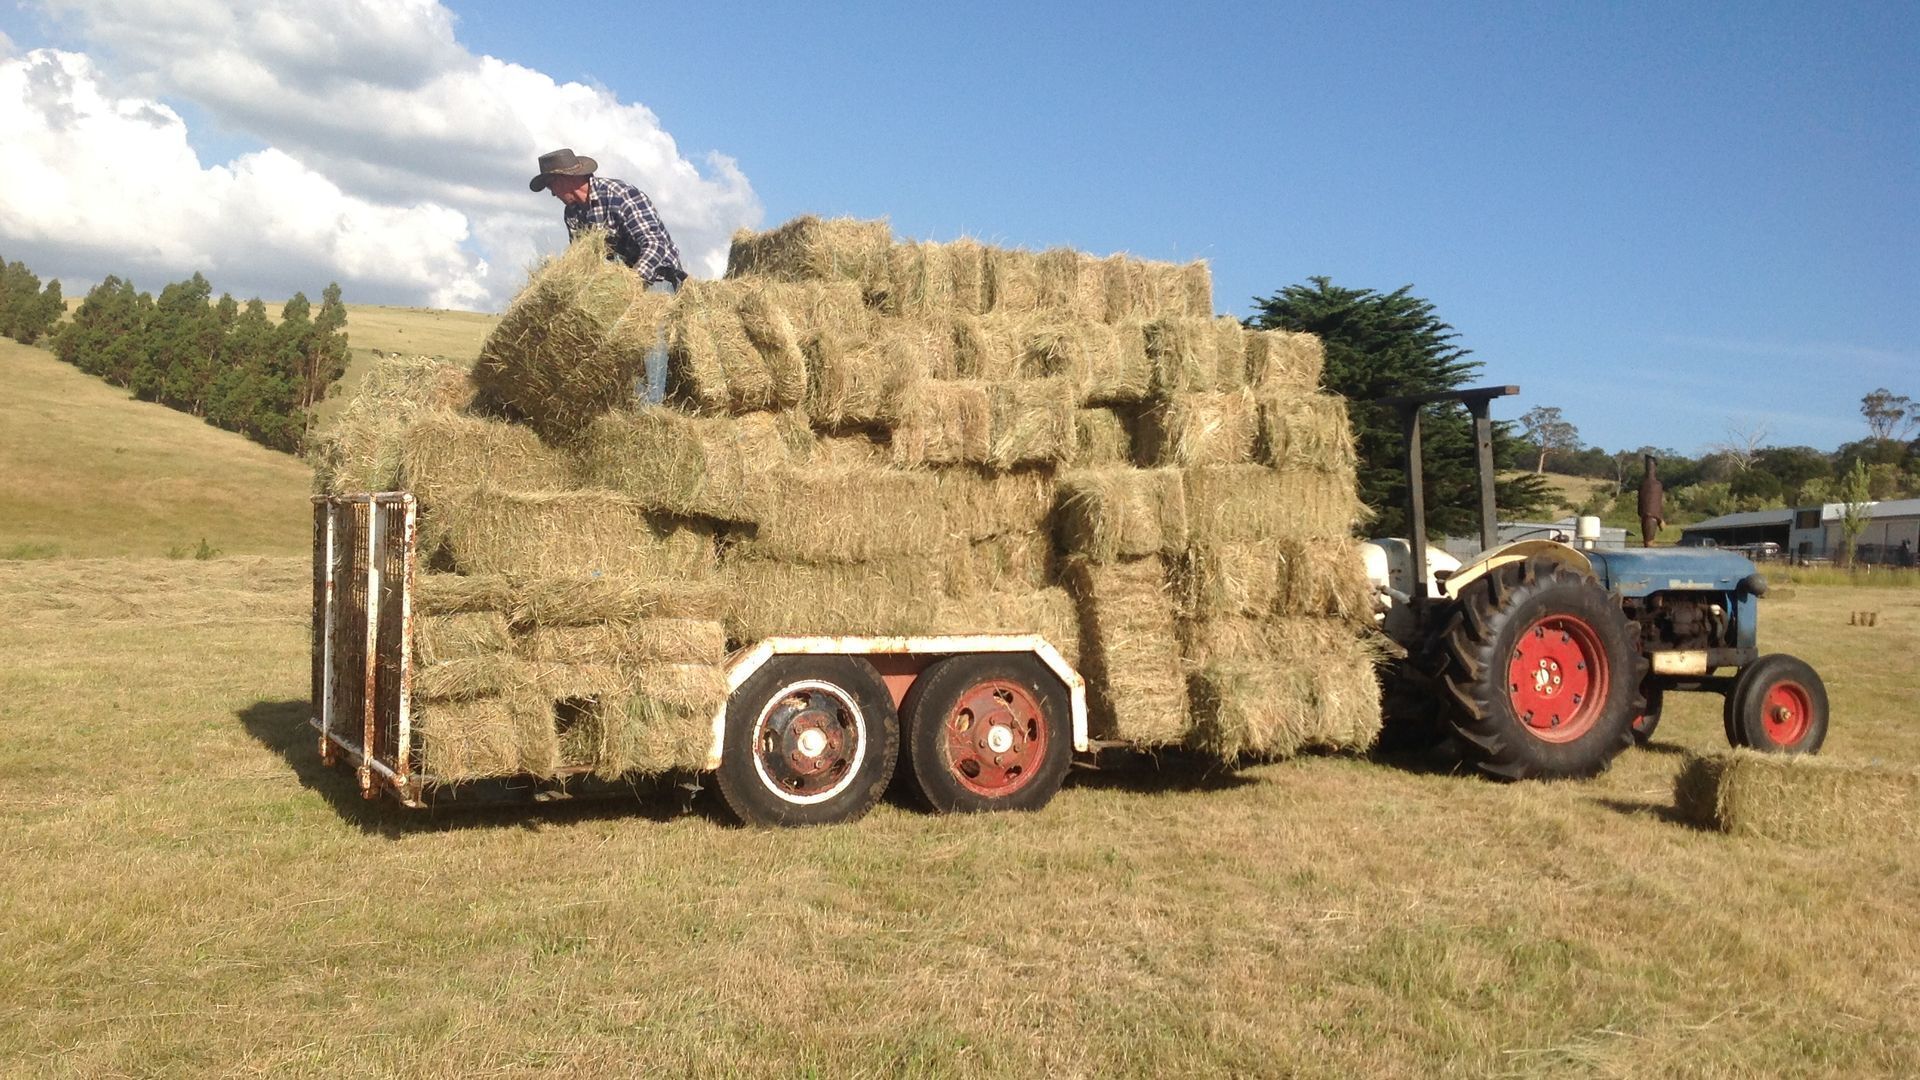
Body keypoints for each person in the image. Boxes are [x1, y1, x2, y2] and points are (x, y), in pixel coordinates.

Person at [529, 148, 684, 401]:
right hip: (614, 283)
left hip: (656, 274)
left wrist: (631, 283)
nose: (552, 193)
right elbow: (585, 262)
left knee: (648, 331)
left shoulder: (621, 196)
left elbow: (656, 245)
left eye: (551, 185)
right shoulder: (572, 214)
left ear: (565, 179)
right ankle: (619, 401)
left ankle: (651, 406)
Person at [1637, 454, 1664, 548]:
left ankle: (1649, 541)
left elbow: (1654, 506)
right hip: (1650, 518)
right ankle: (1649, 541)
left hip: (1649, 518)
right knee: (1650, 518)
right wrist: (1660, 519)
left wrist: (1660, 519)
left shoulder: (1646, 484)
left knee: (1649, 518)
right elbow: (1651, 509)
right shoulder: (1655, 485)